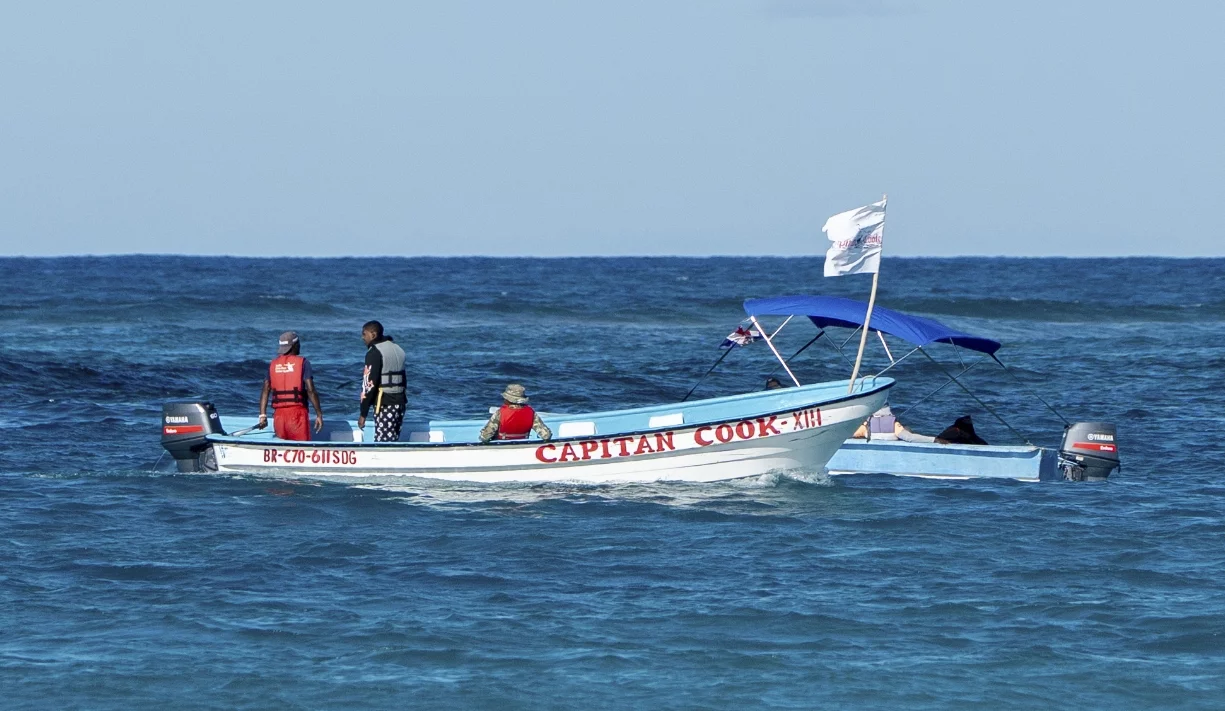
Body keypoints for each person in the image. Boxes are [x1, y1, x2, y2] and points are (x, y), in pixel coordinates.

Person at [258, 331, 324, 441]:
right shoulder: (303, 362)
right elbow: (311, 390)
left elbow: (265, 389)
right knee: (301, 451)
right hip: (297, 415)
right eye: (298, 344)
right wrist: (319, 414)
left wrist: (262, 415)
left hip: (278, 417)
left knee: (282, 452)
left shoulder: (273, 364)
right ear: (294, 346)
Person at [358, 320, 407, 442]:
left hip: (385, 403)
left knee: (383, 440)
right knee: (393, 439)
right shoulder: (398, 348)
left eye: (364, 334)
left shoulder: (374, 352)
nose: (362, 337)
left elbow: (369, 385)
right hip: (400, 402)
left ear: (373, 335)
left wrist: (363, 413)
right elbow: (403, 379)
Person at [479, 384, 552, 443]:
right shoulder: (531, 413)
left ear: (508, 399)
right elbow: (546, 435)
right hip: (523, 445)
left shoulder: (500, 413)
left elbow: (485, 437)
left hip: (502, 445)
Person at [852, 405, 936, 443]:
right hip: (893, 436)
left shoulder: (866, 426)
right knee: (907, 429)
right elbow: (909, 437)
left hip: (870, 436)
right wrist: (933, 440)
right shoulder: (893, 425)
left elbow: (848, 434)